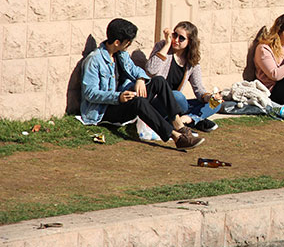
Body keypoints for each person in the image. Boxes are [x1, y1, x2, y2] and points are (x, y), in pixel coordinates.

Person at [80, 18, 204, 149]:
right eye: (128, 43)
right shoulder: (94, 60)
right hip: (104, 110)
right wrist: (118, 97)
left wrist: (140, 79)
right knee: (140, 102)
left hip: (124, 98)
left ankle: (180, 126)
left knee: (159, 81)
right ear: (117, 42)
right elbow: (90, 93)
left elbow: (136, 70)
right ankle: (175, 137)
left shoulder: (121, 53)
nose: (129, 45)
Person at [146, 21, 222, 133]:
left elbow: (199, 89)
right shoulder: (162, 46)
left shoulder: (191, 62)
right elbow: (150, 70)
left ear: (190, 42)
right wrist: (167, 44)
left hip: (177, 107)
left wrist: (209, 98)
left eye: (181, 38)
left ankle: (188, 119)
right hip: (158, 102)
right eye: (174, 35)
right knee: (177, 96)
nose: (176, 40)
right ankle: (195, 121)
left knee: (216, 104)